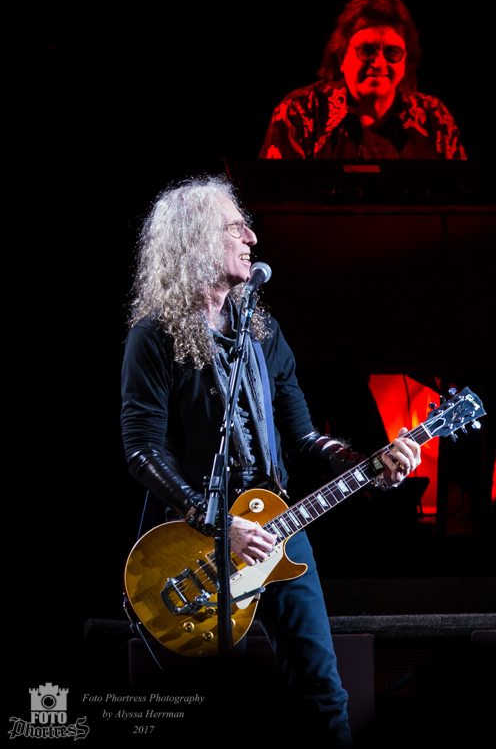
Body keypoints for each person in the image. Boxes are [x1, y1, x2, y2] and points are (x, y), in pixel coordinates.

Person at [121, 175, 421, 744]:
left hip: (277, 523)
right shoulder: (155, 335)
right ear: (195, 240)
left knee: (322, 691)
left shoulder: (263, 331)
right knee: (205, 709)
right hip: (199, 534)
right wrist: (217, 523)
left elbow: (304, 437)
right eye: (237, 227)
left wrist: (367, 461)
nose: (252, 237)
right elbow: (142, 448)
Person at [260, 0, 465, 160]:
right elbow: (273, 200)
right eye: (367, 50)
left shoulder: (435, 117)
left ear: (405, 62)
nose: (378, 63)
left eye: (392, 52)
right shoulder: (299, 113)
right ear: (341, 57)